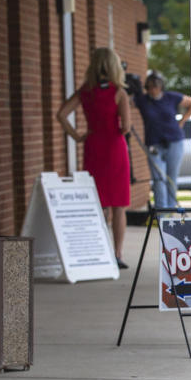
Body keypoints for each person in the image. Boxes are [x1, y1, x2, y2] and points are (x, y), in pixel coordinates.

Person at [55, 47, 132, 269]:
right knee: (119, 204)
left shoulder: (85, 92)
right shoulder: (119, 92)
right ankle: (117, 253)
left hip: (93, 147)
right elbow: (125, 127)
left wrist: (77, 136)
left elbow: (61, 114)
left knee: (98, 203)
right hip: (115, 148)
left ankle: (99, 251)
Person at [131, 72, 191, 209]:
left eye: (155, 87)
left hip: (174, 142)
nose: (153, 90)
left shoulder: (171, 97)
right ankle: (161, 211)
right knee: (159, 178)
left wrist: (182, 121)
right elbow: (126, 101)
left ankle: (171, 210)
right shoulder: (143, 100)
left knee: (171, 177)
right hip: (154, 144)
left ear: (161, 87)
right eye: (150, 87)